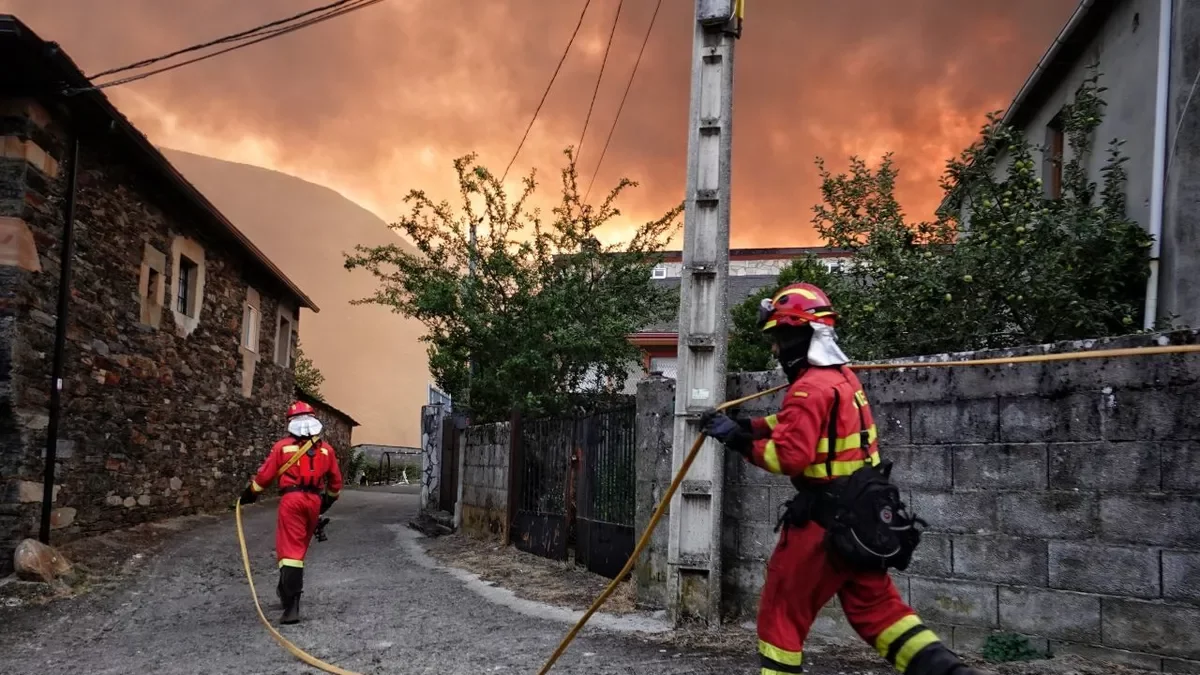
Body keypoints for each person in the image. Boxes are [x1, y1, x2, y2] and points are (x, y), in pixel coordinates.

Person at [702, 283, 985, 675]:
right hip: (863, 519)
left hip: (822, 525)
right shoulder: (843, 381)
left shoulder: (807, 389)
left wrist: (735, 439)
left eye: (781, 337)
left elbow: (790, 456)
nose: (776, 349)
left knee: (781, 613)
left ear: (804, 335)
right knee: (880, 611)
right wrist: (746, 424)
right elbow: (798, 425)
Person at [240, 400, 344, 625]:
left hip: (292, 500)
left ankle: (292, 606)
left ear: (291, 423)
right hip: (314, 502)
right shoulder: (326, 450)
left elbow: (264, 477)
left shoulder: (283, 447)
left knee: (290, 552)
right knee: (299, 550)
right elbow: (336, 482)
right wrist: (325, 501)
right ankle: (284, 589)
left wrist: (249, 494)